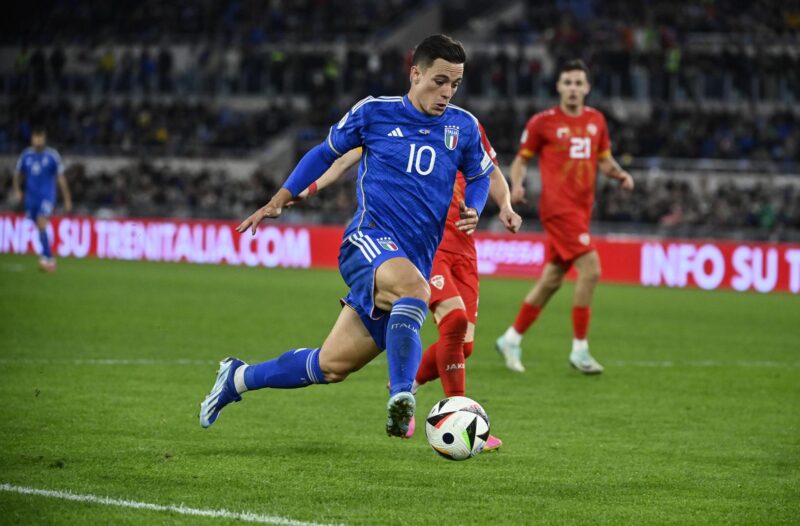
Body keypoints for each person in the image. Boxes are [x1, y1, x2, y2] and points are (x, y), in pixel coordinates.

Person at [199, 34, 495, 438]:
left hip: (409, 261)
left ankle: (238, 378)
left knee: (330, 366)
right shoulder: (374, 113)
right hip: (367, 241)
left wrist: (475, 206)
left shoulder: (463, 126)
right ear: (415, 73)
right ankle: (402, 398)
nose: (446, 92)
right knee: (414, 290)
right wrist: (280, 197)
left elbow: (480, 175)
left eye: (455, 84)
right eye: (439, 81)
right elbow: (325, 153)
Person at [292, 122, 522, 450]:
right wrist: (308, 188)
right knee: (453, 321)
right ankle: (460, 415)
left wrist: (506, 206)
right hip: (429, 246)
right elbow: (345, 158)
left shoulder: (467, 128)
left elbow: (491, 172)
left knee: (463, 345)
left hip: (465, 250)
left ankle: (407, 385)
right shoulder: (397, 124)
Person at [495, 59, 634, 374]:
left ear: (586, 88)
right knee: (592, 270)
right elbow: (520, 160)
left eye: (577, 83)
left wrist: (621, 176)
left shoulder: (596, 121)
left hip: (582, 210)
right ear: (558, 87)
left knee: (552, 279)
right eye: (567, 82)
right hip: (558, 209)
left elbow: (606, 160)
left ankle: (511, 338)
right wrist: (516, 186)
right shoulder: (543, 122)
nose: (572, 88)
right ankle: (580, 350)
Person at [13, 127, 72, 272]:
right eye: (36, 137)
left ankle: (48, 258)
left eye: (40, 137)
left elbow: (61, 178)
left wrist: (67, 198)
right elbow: (18, 175)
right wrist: (18, 190)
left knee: (41, 221)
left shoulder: (52, 156)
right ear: (32, 138)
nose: (38, 140)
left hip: (47, 196)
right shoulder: (26, 156)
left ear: (44, 138)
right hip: (31, 197)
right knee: (38, 225)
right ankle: (46, 255)